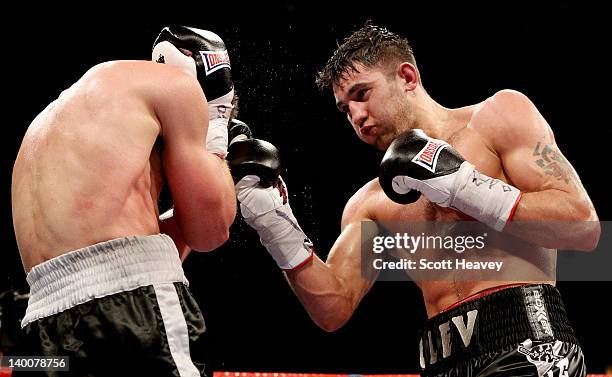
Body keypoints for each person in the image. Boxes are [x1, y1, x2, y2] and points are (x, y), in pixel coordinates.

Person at [233, 23, 600, 376]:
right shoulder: (370, 203)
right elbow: (333, 308)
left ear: (407, 77)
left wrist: (465, 186)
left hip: (529, 346)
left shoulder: (497, 118)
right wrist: (274, 224)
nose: (357, 116)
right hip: (442, 362)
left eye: (362, 94)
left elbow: (583, 228)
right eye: (345, 109)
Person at [11, 25, 236, 376]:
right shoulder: (178, 87)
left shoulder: (47, 124)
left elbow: (117, 256)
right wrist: (217, 130)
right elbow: (211, 231)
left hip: (42, 320)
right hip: (133, 310)